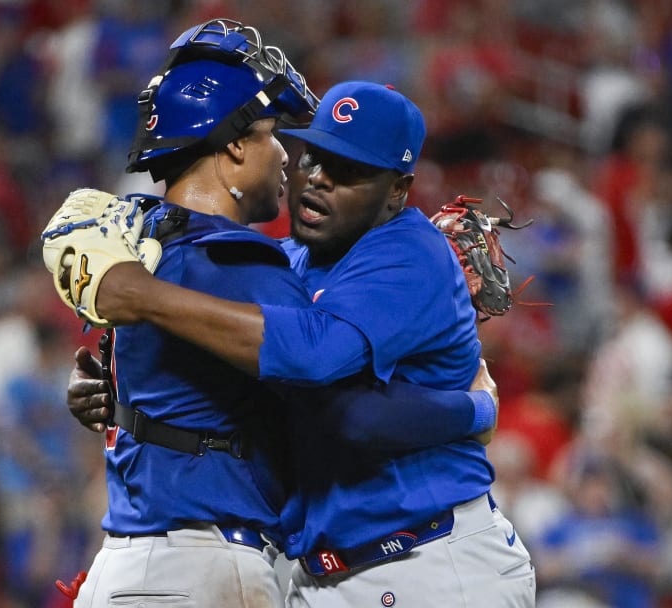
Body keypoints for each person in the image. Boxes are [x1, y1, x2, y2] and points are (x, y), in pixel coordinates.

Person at [51, 20, 501, 608]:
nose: (308, 173)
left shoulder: (148, 240)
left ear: (399, 191)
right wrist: (475, 409)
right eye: (311, 152)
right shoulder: (252, 263)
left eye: (352, 172)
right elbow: (338, 399)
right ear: (235, 144)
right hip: (216, 567)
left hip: (426, 562)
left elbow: (333, 401)